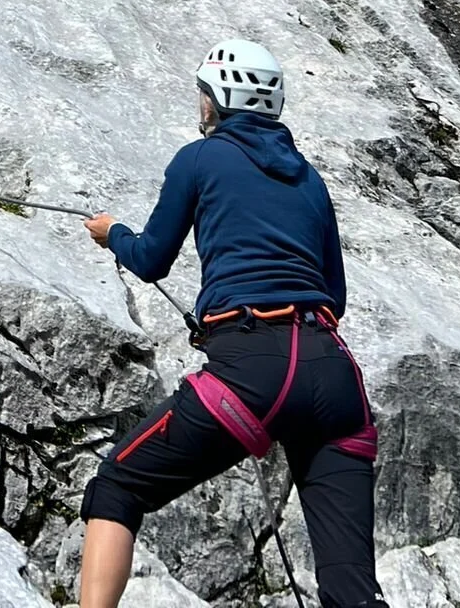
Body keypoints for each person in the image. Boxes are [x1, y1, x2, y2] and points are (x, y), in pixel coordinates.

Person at [78, 40, 387, 608]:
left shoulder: (200, 160)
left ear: (219, 98)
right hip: (334, 375)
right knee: (351, 589)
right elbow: (333, 295)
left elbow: (150, 259)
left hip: (251, 367)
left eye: (203, 93)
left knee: (118, 486)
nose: (198, 104)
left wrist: (111, 233)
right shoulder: (311, 181)